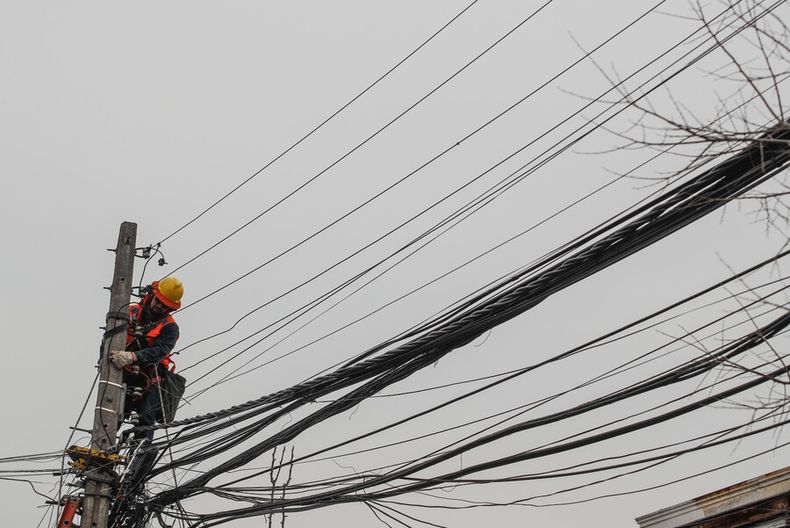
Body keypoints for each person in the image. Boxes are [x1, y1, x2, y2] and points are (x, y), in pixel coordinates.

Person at [109, 276, 184, 441]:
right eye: (158, 301)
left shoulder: (170, 327)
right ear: (152, 295)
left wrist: (133, 356)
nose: (159, 307)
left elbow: (160, 351)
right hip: (123, 374)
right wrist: (103, 361)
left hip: (150, 378)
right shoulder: (129, 312)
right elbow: (109, 338)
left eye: (165, 306)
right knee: (112, 416)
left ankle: (140, 457)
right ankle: (103, 444)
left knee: (146, 420)